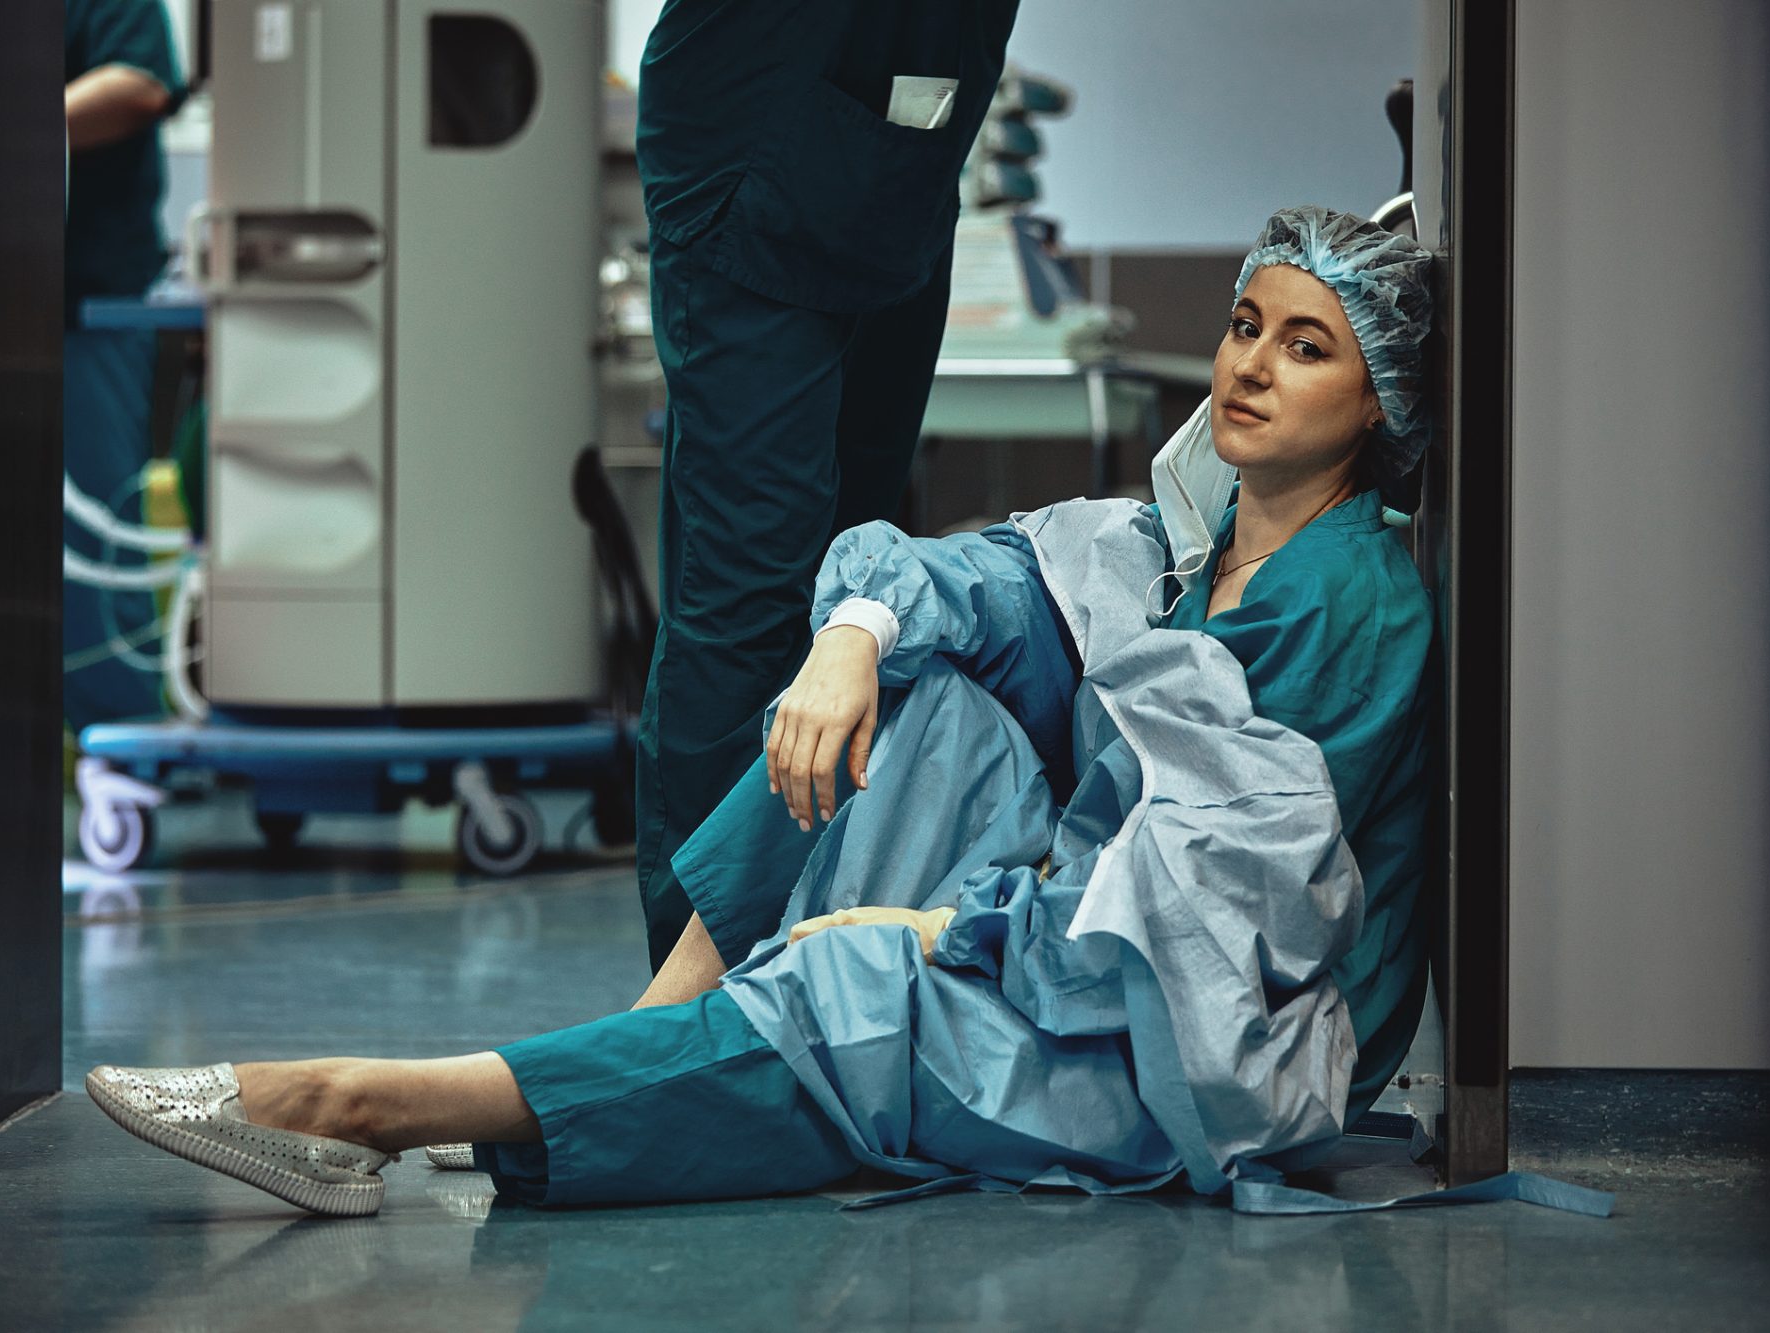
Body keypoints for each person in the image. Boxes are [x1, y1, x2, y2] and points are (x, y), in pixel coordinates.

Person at [88, 207, 1438, 1219]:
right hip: (1085, 940)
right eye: (1247, 324)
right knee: (913, 687)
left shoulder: (1339, 606)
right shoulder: (1185, 552)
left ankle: (359, 1106)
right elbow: (965, 581)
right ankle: (642, 1035)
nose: (1249, 367)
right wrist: (852, 637)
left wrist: (932, 927)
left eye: (1307, 347)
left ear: (1382, 401)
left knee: (863, 984)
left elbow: (1188, 924)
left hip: (1207, 1046)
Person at [632, 0, 1024, 971]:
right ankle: (695, 1012)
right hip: (758, 149)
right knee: (755, 592)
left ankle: (813, 970)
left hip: (901, 164)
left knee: (858, 586)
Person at [63, 0, 185, 733]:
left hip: (90, 296)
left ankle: (123, 741)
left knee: (97, 531)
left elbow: (139, 85)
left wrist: (1, 124)